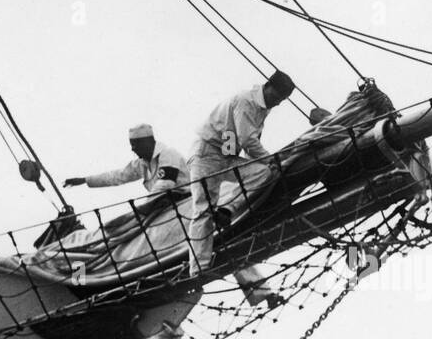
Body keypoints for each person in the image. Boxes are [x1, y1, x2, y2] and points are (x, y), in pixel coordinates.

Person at [186, 70, 294, 281]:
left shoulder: (263, 106)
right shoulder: (246, 101)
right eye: (278, 97)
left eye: (282, 100)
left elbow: (248, 141)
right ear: (268, 86)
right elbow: (248, 140)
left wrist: (265, 163)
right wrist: (272, 159)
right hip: (206, 155)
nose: (278, 103)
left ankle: (227, 208)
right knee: (203, 211)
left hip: (226, 156)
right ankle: (198, 271)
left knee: (262, 172)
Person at [64, 123, 188, 196]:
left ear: (148, 142)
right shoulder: (141, 164)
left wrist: (145, 206)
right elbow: (117, 176)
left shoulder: (168, 154)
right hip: (164, 205)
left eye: (135, 144)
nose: (132, 149)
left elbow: (165, 184)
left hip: (185, 200)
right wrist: (86, 180)